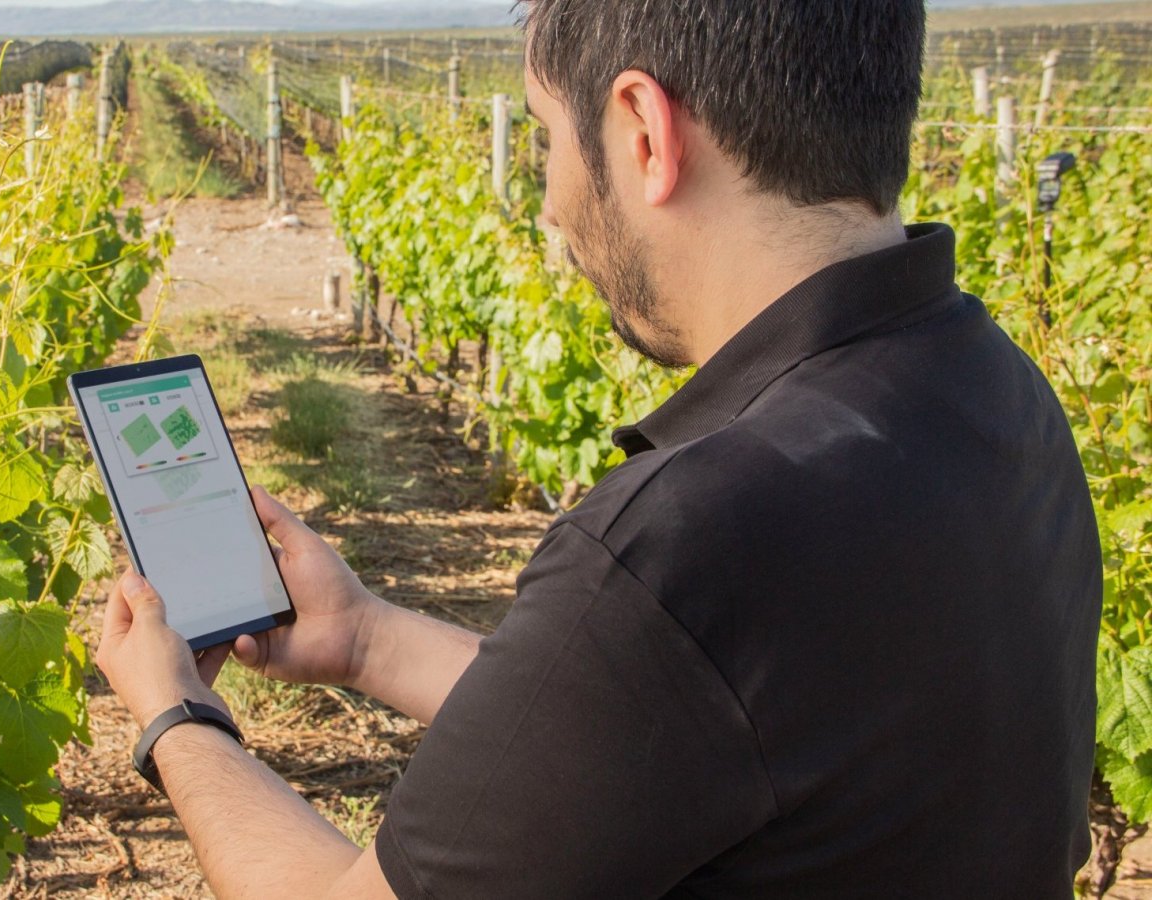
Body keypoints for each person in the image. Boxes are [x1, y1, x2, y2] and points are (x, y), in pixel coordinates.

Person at [92, 1, 1102, 896]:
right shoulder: (996, 393)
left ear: (642, 129)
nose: (546, 199)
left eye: (544, 136)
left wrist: (174, 716)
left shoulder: (693, 536)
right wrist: (364, 637)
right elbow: (655, 732)